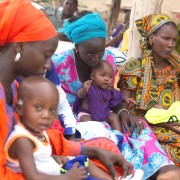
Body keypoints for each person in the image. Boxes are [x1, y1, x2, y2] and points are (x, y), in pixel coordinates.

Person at [0, 1, 135, 179]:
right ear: (19, 45)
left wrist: (91, 151)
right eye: (46, 55)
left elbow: (43, 138)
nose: (49, 64)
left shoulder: (15, 88)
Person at [51, 10, 180, 179]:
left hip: (104, 112)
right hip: (74, 117)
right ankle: (125, 171)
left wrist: (124, 112)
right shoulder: (59, 63)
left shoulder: (109, 58)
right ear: (77, 47)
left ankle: (162, 168)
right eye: (89, 53)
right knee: (102, 132)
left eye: (100, 52)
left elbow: (111, 95)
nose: (96, 58)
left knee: (138, 126)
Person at [5, 76, 113, 180]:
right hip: (57, 177)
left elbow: (38, 158)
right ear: (20, 109)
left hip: (57, 172)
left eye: (52, 110)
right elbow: (33, 177)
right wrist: (67, 177)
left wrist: (54, 158)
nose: (47, 115)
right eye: (38, 107)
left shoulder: (37, 131)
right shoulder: (23, 140)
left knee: (82, 161)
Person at [117, 13, 180, 167]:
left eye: (174, 40)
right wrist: (166, 124)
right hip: (145, 127)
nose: (171, 44)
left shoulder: (176, 67)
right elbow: (123, 110)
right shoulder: (135, 67)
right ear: (151, 38)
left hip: (174, 122)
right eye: (166, 38)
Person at [74, 61, 136, 133]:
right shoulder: (88, 86)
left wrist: (126, 99)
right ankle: (92, 137)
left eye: (110, 77)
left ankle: (118, 134)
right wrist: (84, 90)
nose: (107, 79)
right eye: (103, 75)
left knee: (114, 117)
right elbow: (79, 95)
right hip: (88, 113)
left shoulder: (109, 89)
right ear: (92, 76)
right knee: (85, 120)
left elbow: (118, 96)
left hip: (104, 112)